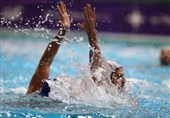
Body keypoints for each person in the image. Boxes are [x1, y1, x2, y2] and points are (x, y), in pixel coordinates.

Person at [27, 2, 126, 96]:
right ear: (108, 78)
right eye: (120, 76)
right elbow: (97, 67)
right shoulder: (98, 96)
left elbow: (45, 62)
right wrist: (91, 34)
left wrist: (63, 31)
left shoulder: (34, 91)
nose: (124, 81)